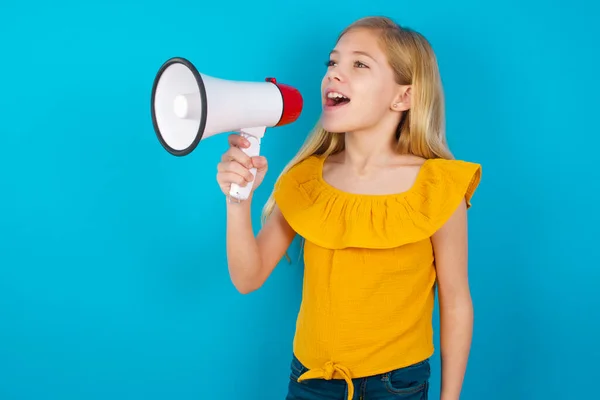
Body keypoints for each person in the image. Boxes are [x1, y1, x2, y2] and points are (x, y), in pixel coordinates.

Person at [216, 15, 481, 400]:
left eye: (359, 64)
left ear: (403, 96)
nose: (334, 75)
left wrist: (450, 397)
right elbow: (247, 277)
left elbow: (456, 300)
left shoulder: (437, 187)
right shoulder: (306, 180)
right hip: (310, 383)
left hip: (397, 387)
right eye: (332, 62)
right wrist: (237, 202)